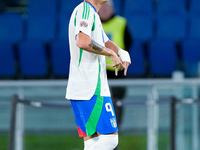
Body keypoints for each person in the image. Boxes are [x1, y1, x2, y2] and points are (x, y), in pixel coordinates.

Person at [65, 0, 131, 150]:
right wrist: (110, 53)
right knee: (110, 141)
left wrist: (121, 52)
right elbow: (82, 41)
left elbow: (105, 40)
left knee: (92, 142)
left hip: (83, 86)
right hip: (92, 87)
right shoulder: (86, 11)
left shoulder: (91, 13)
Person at [98, 0, 132, 130]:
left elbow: (128, 42)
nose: (105, 10)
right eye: (102, 8)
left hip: (116, 70)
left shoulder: (121, 23)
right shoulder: (93, 24)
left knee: (116, 103)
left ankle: (115, 132)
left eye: (107, 8)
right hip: (98, 70)